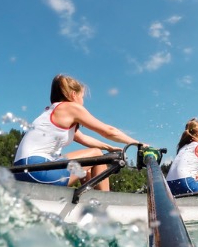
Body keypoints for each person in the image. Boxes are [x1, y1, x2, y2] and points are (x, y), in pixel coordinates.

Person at [13, 74, 143, 190]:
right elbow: (108, 131)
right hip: (37, 171)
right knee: (96, 155)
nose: (83, 101)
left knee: (85, 166)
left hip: (20, 171)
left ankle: (88, 198)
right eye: (82, 97)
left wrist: (109, 148)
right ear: (73, 95)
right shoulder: (70, 107)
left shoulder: (52, 112)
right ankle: (105, 205)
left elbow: (84, 139)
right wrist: (139, 144)